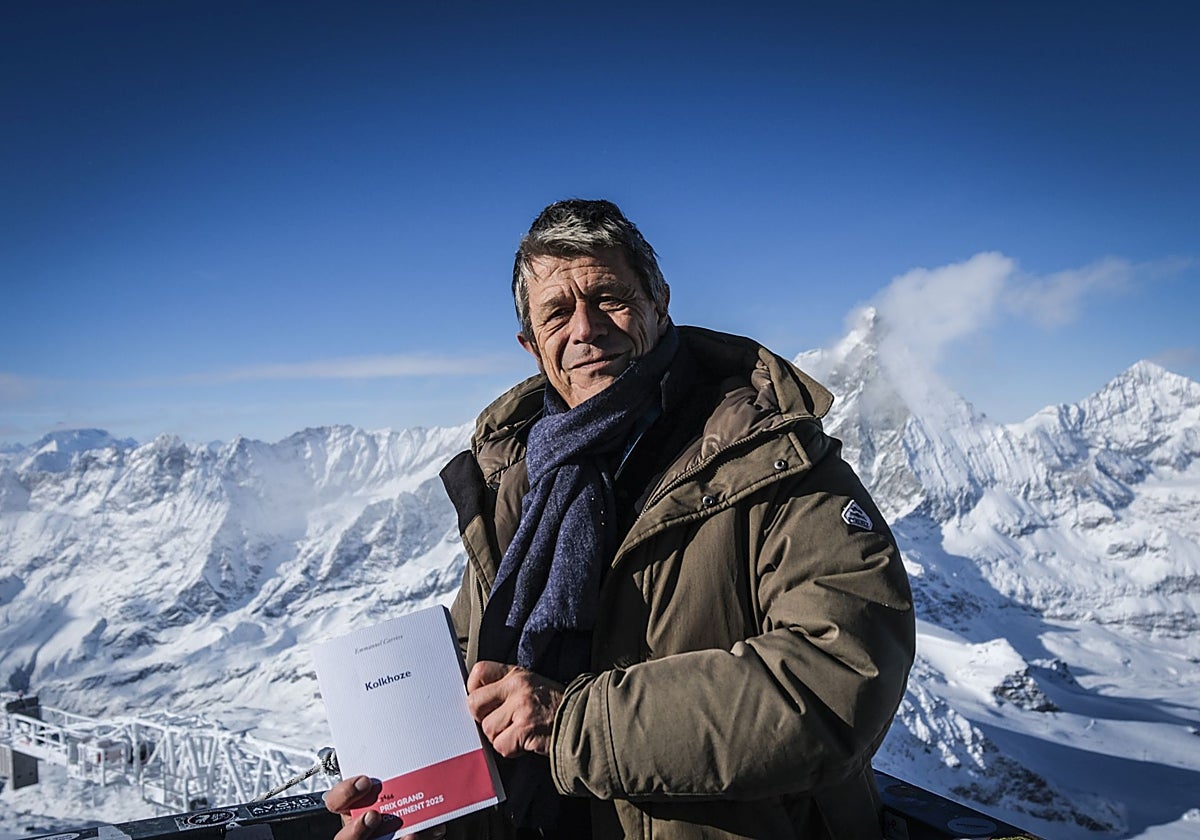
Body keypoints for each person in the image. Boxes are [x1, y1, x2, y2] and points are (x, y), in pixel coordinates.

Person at [325, 199, 915, 839]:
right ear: (531, 345)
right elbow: (482, 686)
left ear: (659, 303)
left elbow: (838, 680)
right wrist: (416, 803)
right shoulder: (514, 486)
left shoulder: (774, 459)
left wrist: (573, 723)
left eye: (608, 297)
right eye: (556, 312)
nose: (585, 328)